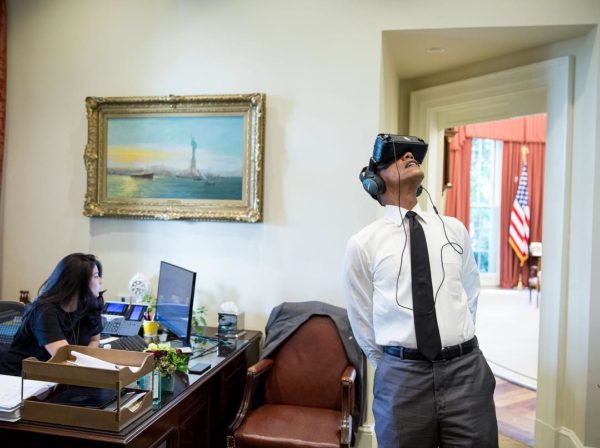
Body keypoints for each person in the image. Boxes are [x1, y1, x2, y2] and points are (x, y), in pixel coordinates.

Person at [342, 134, 498, 447]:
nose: (410, 157)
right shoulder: (363, 244)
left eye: (413, 155)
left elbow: (470, 293)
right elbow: (362, 322)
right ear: (374, 181)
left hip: (465, 372)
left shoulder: (453, 229)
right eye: (396, 157)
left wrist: (456, 342)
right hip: (403, 380)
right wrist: (396, 363)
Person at [0, 253, 104, 376]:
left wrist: (88, 361)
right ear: (78, 282)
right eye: (96, 276)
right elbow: (63, 357)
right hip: (20, 378)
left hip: (56, 376)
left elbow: (94, 340)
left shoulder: (91, 305)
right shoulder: (45, 311)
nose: (101, 281)